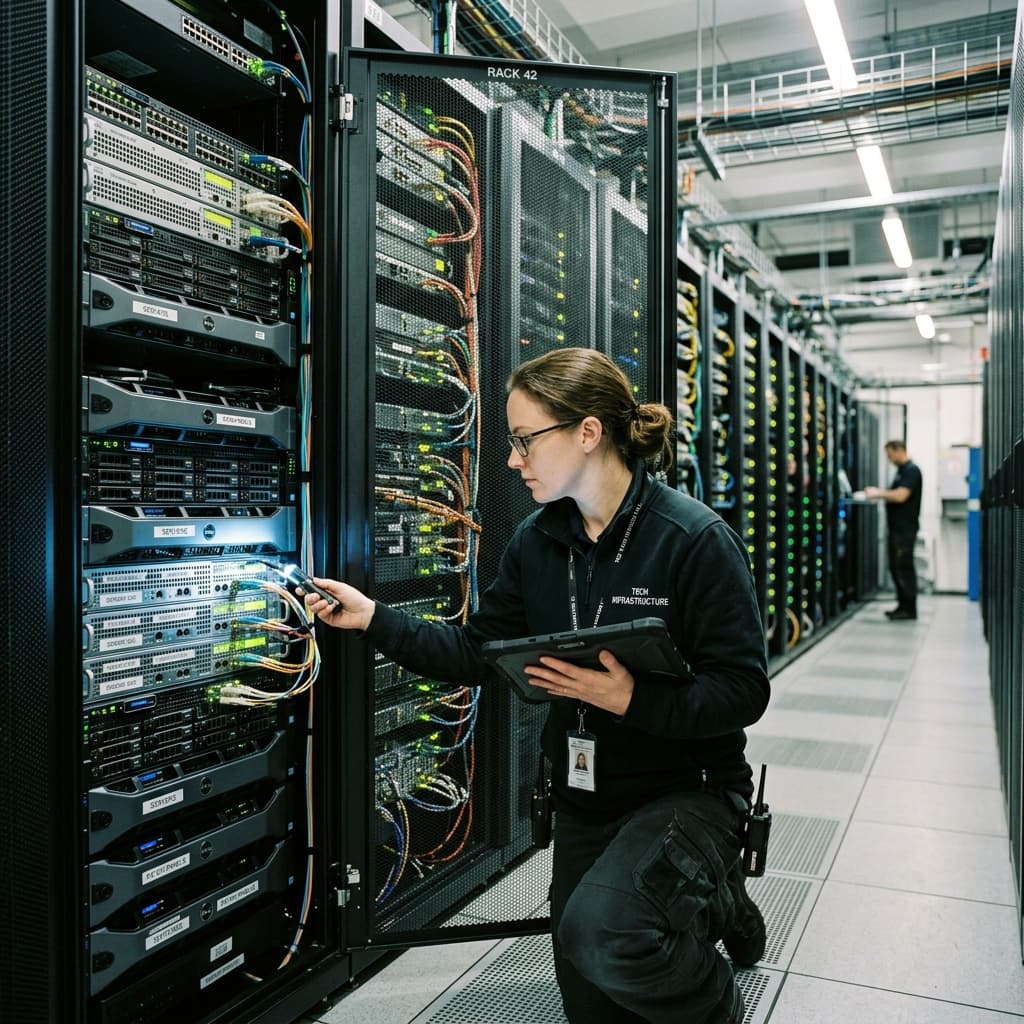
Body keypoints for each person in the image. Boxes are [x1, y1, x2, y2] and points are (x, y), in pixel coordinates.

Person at [304, 348, 771, 1024]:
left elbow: (744, 690)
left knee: (604, 935)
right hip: (589, 796)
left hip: (688, 787)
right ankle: (713, 896)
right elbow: (475, 652)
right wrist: (372, 618)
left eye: (525, 440)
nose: (513, 459)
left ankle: (716, 996)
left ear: (588, 432)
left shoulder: (692, 540)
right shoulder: (536, 542)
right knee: (593, 997)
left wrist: (630, 700)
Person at [865, 440, 923, 621]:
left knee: (903, 567)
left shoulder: (912, 471)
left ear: (899, 451)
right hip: (898, 528)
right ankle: (903, 605)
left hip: (904, 529)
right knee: (896, 566)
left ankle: (909, 609)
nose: (889, 459)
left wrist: (878, 493)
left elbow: (901, 496)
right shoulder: (903, 471)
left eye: (890, 455)